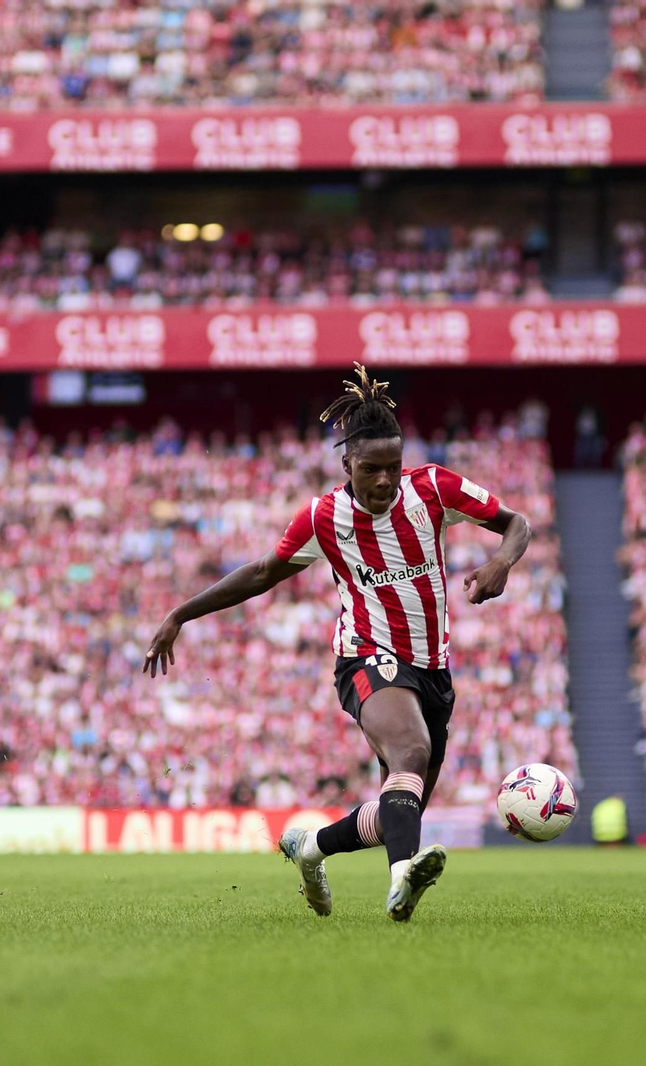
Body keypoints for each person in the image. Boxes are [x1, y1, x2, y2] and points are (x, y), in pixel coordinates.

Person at [143, 364, 531, 922]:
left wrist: (502, 561)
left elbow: (517, 523)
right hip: (365, 657)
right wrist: (181, 613)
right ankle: (402, 880)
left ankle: (309, 848)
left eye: (392, 467)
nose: (384, 481)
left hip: (434, 670)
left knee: (400, 807)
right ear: (346, 463)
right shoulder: (325, 517)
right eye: (370, 469)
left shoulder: (432, 488)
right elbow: (261, 573)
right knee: (412, 752)